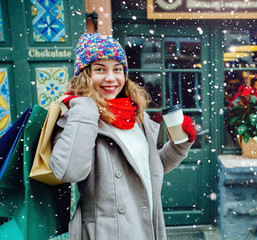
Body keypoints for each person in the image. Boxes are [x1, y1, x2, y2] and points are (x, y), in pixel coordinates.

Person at [49, 33, 196, 240]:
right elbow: (69, 172)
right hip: (108, 233)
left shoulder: (135, 117)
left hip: (146, 227)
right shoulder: (75, 119)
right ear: (85, 75)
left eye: (117, 69)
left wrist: (180, 145)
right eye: (100, 69)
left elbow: (148, 170)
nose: (111, 78)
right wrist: (84, 107)